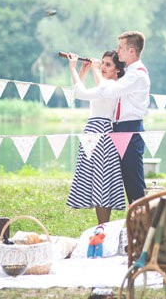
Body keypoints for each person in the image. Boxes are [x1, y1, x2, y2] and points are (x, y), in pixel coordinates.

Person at [65, 50, 126, 224]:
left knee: (102, 179)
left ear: (118, 70)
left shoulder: (113, 87)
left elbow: (82, 93)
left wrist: (74, 68)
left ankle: (103, 226)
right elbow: (81, 91)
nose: (104, 67)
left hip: (102, 133)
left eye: (108, 64)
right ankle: (102, 226)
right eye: (103, 63)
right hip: (92, 131)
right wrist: (83, 70)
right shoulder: (105, 86)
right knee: (94, 178)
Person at [92, 31, 150, 204]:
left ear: (131, 51)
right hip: (119, 128)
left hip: (130, 129)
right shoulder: (129, 73)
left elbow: (109, 90)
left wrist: (96, 70)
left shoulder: (137, 74)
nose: (117, 51)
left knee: (134, 182)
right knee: (124, 180)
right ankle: (135, 223)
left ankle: (142, 223)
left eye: (121, 47)